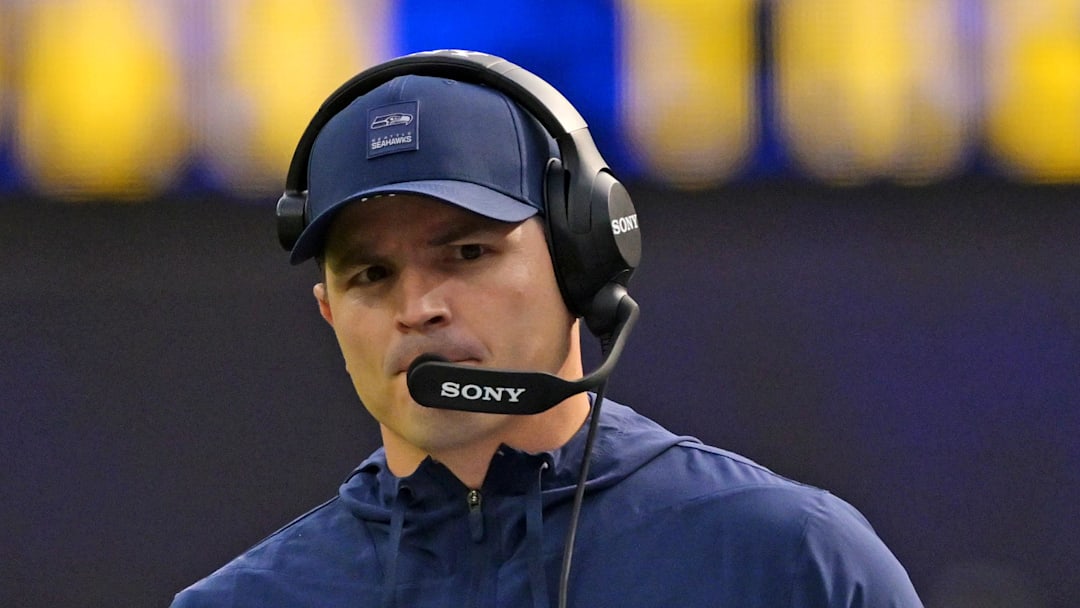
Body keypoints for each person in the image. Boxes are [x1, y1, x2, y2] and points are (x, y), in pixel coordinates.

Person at [171, 50, 922, 608]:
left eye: (467, 252)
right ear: (330, 313)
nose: (418, 306)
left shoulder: (788, 564)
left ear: (580, 257)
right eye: (371, 275)